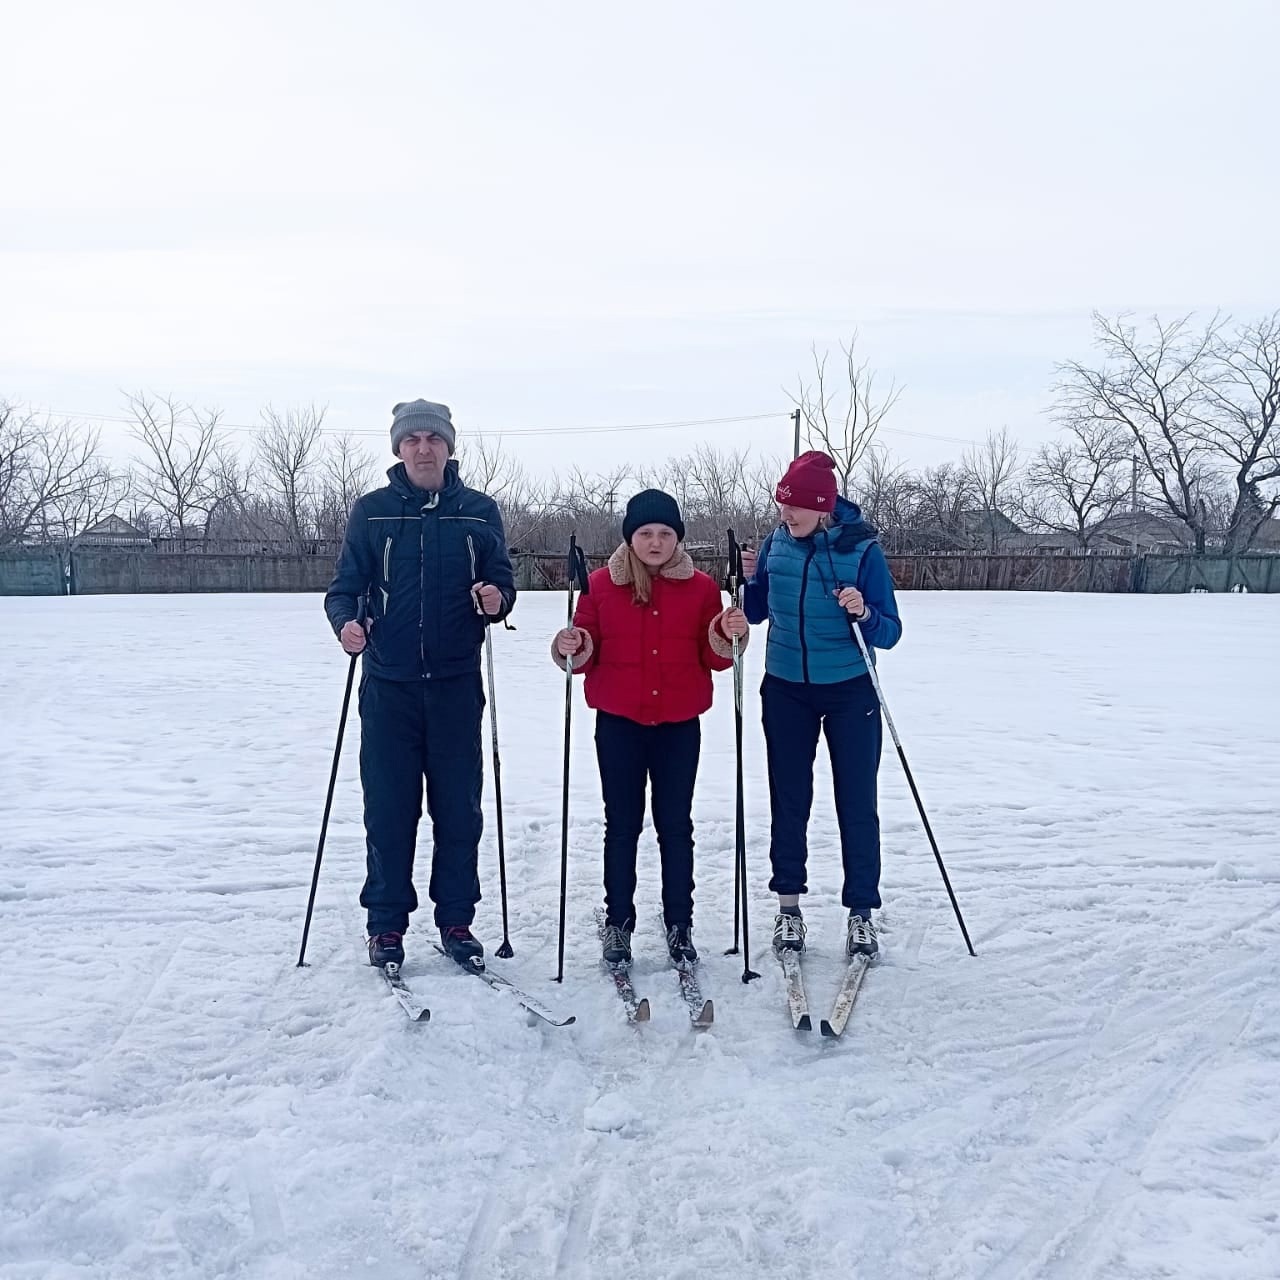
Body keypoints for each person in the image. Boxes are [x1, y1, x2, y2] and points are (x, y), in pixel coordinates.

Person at [324, 399, 516, 970]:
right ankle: (386, 925)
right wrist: (347, 624)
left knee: (459, 809)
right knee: (388, 809)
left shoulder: (480, 512)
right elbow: (344, 587)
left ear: (449, 447)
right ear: (399, 448)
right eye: (414, 440)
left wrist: (496, 598)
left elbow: (504, 581)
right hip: (390, 684)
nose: (424, 448)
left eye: (434, 438)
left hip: (457, 683)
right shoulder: (372, 511)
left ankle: (456, 920)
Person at [551, 490, 749, 967]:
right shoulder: (600, 585)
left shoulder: (701, 588)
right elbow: (584, 654)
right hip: (619, 723)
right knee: (620, 825)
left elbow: (714, 659)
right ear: (630, 537)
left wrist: (726, 632)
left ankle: (680, 922)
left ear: (677, 538)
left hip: (679, 724)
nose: (655, 542)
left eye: (665, 533)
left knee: (676, 826)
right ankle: (618, 922)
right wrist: (571, 643)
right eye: (645, 533)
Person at [740, 450, 902, 960]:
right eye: (782, 504)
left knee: (857, 801)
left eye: (796, 507)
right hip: (786, 687)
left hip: (851, 688)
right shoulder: (775, 543)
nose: (786, 515)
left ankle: (861, 914)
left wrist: (864, 611)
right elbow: (758, 612)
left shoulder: (863, 551)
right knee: (790, 798)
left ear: (824, 507)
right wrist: (747, 581)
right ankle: (788, 909)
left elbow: (891, 631)